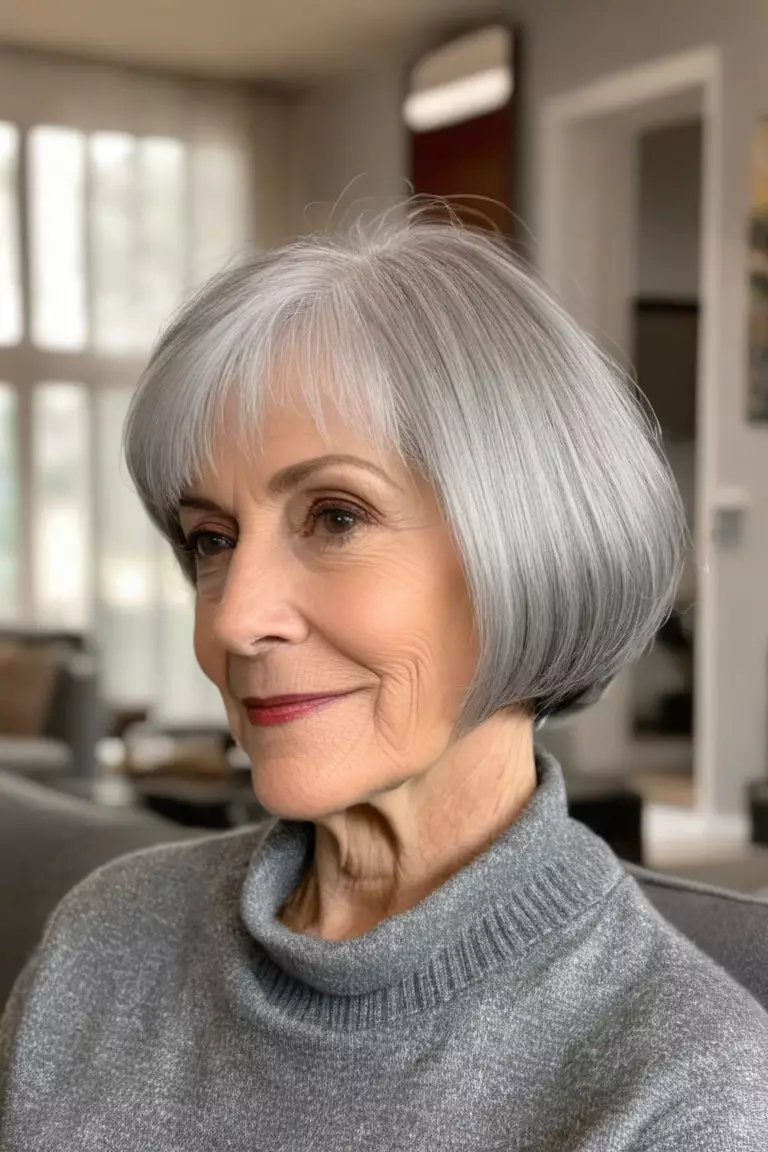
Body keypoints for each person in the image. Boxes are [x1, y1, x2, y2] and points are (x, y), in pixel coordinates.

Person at [1, 211, 766, 1151]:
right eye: (211, 538)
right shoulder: (104, 937)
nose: (237, 619)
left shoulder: (685, 1093)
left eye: (335, 517)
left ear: (526, 548)